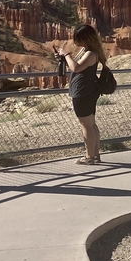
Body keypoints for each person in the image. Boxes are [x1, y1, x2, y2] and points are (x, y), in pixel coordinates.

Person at [55, 24, 106, 165]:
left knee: (86, 126)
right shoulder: (88, 51)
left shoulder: (90, 54)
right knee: (91, 124)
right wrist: (64, 58)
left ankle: (89, 157)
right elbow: (77, 65)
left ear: (86, 39)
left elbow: (76, 68)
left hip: (83, 91)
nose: (77, 42)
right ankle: (95, 155)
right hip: (88, 90)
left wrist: (66, 55)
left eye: (79, 39)